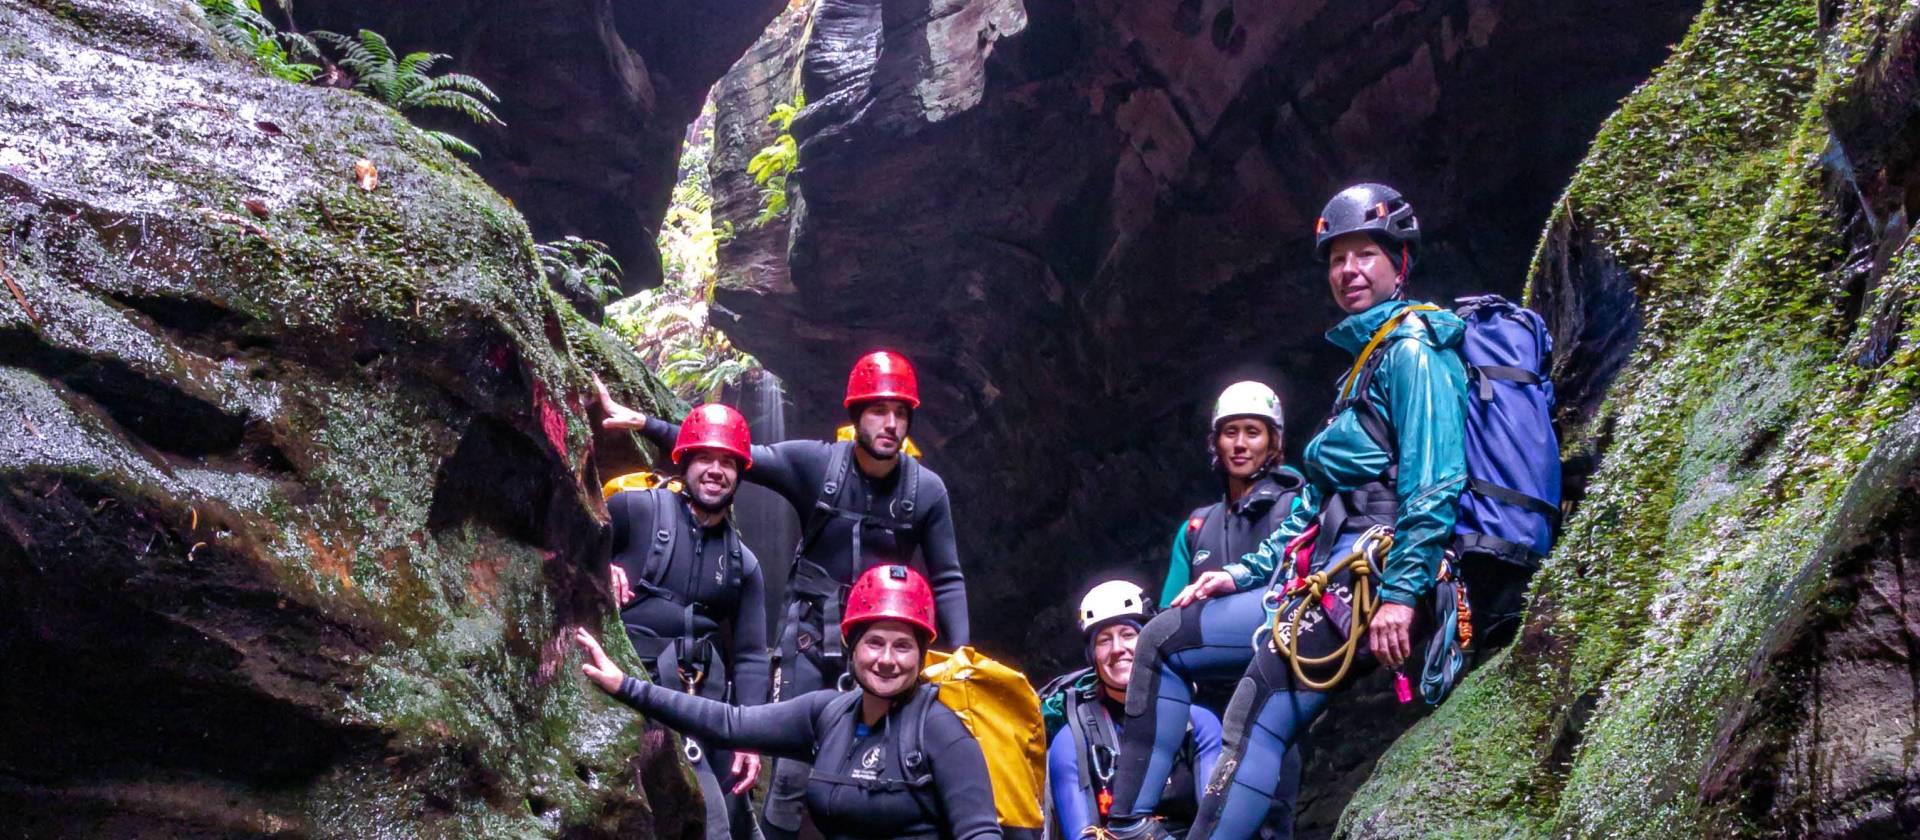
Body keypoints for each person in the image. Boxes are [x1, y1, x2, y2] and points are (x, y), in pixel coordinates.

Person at [1109, 183, 1468, 839]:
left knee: (1259, 705)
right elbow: (1310, 507)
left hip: (1372, 577)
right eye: (1337, 259)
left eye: (1365, 255)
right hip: (1330, 576)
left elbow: (1436, 481)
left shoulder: (1415, 352)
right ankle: (1128, 826)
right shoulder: (1365, 365)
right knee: (1166, 640)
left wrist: (1402, 593)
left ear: (1399, 264)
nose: (1349, 271)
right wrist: (1239, 576)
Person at [596, 351, 969, 839]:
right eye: (879, 410)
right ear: (856, 414)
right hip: (812, 636)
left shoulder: (927, 492)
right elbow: (734, 454)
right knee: (789, 776)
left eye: (901, 413)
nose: (891, 423)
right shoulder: (815, 465)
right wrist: (648, 424)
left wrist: (962, 656)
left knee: (898, 756)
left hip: (887, 639)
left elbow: (947, 578)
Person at [577, 564, 1001, 840]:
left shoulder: (941, 732)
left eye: (903, 646)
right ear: (851, 648)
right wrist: (627, 685)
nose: (887, 660)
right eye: (874, 643)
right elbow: (729, 723)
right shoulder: (828, 714)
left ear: (921, 655)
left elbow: (980, 834)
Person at [605, 402, 768, 839]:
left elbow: (751, 656)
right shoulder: (633, 511)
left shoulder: (743, 564)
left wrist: (750, 736)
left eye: (728, 462)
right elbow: (569, 543)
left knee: (729, 812)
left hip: (703, 702)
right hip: (630, 682)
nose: (716, 470)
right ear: (685, 461)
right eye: (705, 458)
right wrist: (598, 566)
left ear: (740, 474)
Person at [1153, 381, 1308, 837]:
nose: (1240, 444)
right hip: (1208, 703)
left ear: (1273, 441)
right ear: (1215, 442)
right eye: (1230, 432)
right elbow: (1167, 620)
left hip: (1276, 689)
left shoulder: (1297, 506)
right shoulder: (1196, 526)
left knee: (1270, 815)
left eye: (1253, 432)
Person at [1048, 581, 1220, 839]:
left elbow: (1217, 822)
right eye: (1104, 640)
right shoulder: (1073, 739)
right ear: (1091, 656)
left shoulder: (1197, 724)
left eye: (1128, 634)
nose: (1117, 649)